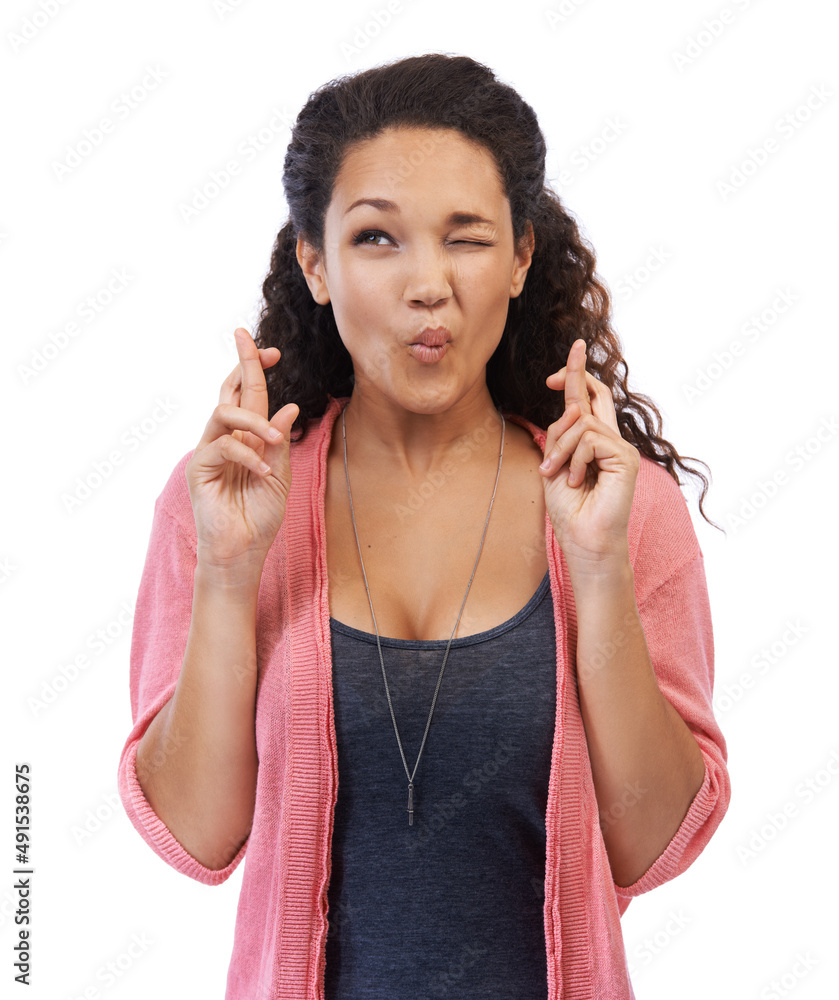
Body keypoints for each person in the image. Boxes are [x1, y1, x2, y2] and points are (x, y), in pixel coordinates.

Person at [118, 53, 730, 999]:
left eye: (467, 238)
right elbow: (197, 837)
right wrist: (229, 574)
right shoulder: (228, 501)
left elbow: (652, 846)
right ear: (313, 263)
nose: (427, 284)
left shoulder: (619, 504)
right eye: (376, 239)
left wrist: (598, 568)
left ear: (522, 257)